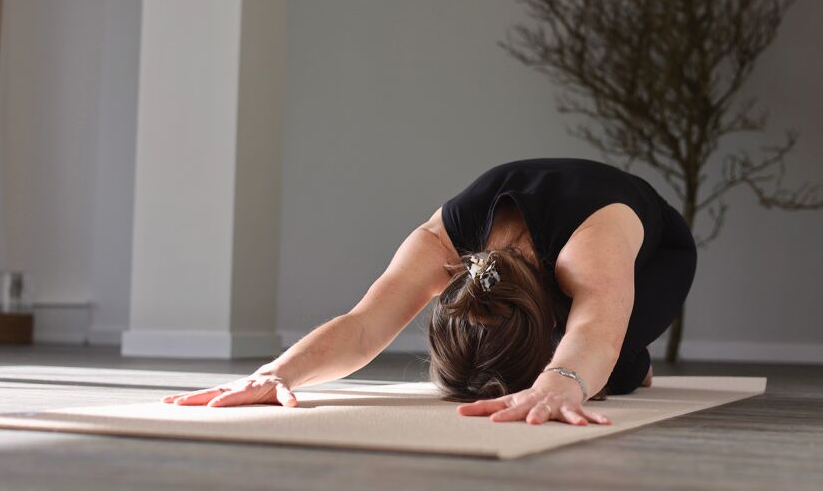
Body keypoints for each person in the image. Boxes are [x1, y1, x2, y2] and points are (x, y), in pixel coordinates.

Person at [162, 157, 697, 427]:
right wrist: (279, 372)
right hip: (557, 253)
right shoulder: (443, 242)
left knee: (606, 364)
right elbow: (364, 323)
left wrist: (560, 383)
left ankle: (636, 364)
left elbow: (595, 331)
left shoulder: (590, 249)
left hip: (659, 257)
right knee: (573, 361)